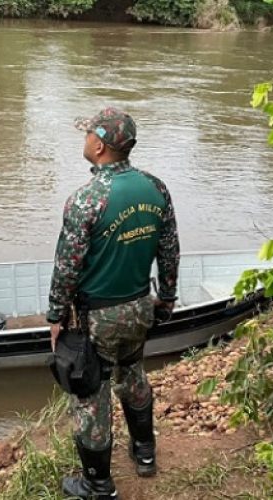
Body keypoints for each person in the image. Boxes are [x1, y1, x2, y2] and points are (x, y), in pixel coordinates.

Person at [47, 107, 180, 499]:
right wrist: (167, 298)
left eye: (87, 133)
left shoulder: (86, 200)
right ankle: (144, 452)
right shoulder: (155, 188)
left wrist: (55, 316)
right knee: (133, 372)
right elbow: (169, 251)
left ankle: (97, 484)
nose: (84, 138)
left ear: (100, 145)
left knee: (92, 394)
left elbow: (67, 269)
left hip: (97, 316)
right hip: (140, 306)